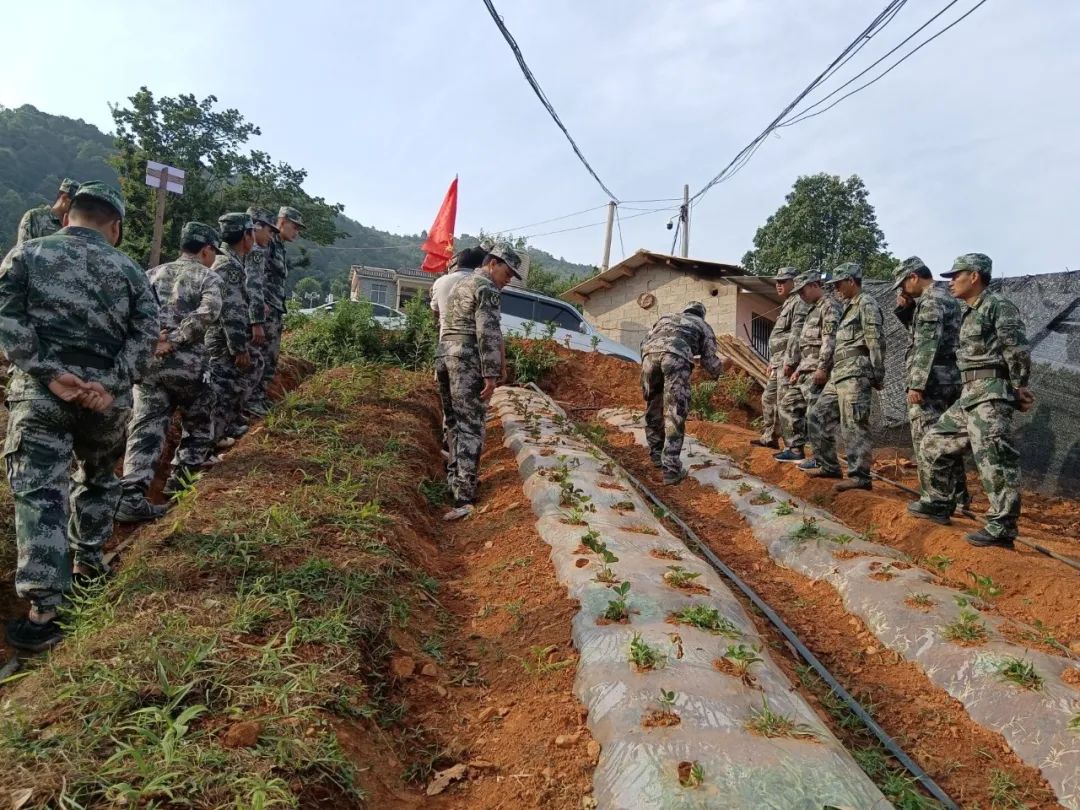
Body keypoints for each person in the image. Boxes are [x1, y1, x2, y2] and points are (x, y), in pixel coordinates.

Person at [0, 181, 158, 651]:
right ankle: (88, 567)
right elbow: (147, 337)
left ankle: (45, 613)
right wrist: (107, 386)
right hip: (106, 406)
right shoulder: (132, 273)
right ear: (115, 227)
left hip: (41, 397)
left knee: (40, 491)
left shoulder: (27, 255)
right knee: (98, 477)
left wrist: (51, 375)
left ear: (69, 214)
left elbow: (7, 319)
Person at [911, 254, 1032, 548]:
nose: (951, 281)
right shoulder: (967, 311)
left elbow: (1016, 349)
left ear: (974, 276)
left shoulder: (997, 306)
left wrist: (1018, 386)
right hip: (969, 394)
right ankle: (938, 503)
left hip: (991, 392)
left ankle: (1002, 528)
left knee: (995, 460)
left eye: (957, 275)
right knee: (933, 443)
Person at [116, 222, 225, 522]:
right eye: (213, 252)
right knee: (202, 418)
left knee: (145, 427)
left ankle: (131, 495)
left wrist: (155, 342)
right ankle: (181, 483)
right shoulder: (208, 277)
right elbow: (209, 313)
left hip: (150, 368)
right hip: (188, 370)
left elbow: (132, 313)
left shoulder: (152, 273)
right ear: (206, 250)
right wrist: (175, 340)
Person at [437, 244, 520, 521]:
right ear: (493, 263)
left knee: (453, 422)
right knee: (471, 427)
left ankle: (455, 479)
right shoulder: (486, 288)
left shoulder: (463, 284)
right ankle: (465, 494)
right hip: (467, 360)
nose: (507, 281)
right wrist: (491, 373)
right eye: (507, 274)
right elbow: (488, 332)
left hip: (444, 355)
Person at [891, 256, 968, 520]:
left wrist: (917, 384)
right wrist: (906, 310)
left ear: (914, 276)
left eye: (903, 283)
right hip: (950, 378)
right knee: (948, 443)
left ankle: (933, 499)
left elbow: (926, 344)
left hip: (932, 381)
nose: (902, 290)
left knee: (926, 440)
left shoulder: (931, 301)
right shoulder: (948, 299)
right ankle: (959, 499)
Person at [808, 262, 886, 491]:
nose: (836, 290)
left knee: (854, 423)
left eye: (839, 284)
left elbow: (876, 341)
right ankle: (829, 466)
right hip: (839, 373)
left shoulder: (866, 304)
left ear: (851, 281)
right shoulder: (848, 307)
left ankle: (860, 476)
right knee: (817, 414)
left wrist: (877, 373)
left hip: (856, 372)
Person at [640, 301, 729, 485]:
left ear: (685, 310)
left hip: (648, 357)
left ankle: (656, 455)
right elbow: (710, 363)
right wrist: (723, 369)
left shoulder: (666, 318)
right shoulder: (703, 326)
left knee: (653, 405)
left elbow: (644, 342)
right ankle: (671, 470)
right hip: (675, 358)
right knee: (675, 412)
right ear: (702, 314)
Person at [201, 213, 258, 470]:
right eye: (253, 233)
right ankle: (205, 451)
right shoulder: (229, 267)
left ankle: (214, 440)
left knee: (221, 393)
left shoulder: (227, 261)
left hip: (218, 340)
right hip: (222, 343)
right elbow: (231, 311)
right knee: (221, 394)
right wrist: (239, 348)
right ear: (245, 235)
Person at [781, 271, 841, 467]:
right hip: (805, 370)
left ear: (815, 285)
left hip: (818, 372)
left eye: (803, 290)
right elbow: (806, 346)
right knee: (788, 404)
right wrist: (798, 369)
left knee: (815, 415)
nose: (800, 295)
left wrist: (823, 368)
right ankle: (795, 449)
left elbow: (829, 339)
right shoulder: (811, 310)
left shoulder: (829, 306)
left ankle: (820, 459)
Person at [248, 206, 303, 415]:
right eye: (294, 226)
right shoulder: (266, 244)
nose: (296, 232)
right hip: (265, 310)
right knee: (259, 358)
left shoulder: (278, 246)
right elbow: (255, 277)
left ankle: (259, 398)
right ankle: (250, 401)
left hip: (274, 310)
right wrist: (258, 313)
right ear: (282, 221)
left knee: (270, 359)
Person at [751, 268, 806, 450]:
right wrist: (773, 362)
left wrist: (790, 361)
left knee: (785, 403)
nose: (778, 285)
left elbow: (797, 334)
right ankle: (770, 437)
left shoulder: (799, 302)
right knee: (769, 398)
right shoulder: (788, 304)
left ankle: (793, 447)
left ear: (794, 282)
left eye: (783, 281)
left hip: (788, 362)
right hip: (778, 362)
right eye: (777, 282)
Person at [234, 206, 277, 429]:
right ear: (256, 227)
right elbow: (253, 287)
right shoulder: (254, 253)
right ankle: (241, 409)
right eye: (269, 231)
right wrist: (257, 321)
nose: (270, 236)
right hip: (242, 321)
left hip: (241, 318)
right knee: (252, 363)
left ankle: (237, 412)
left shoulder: (243, 252)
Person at [431, 244, 489, 337]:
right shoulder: (481, 284)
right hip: (470, 345)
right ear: (479, 266)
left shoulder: (440, 282)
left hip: (444, 342)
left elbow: (435, 310)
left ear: (458, 263)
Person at [15, 179, 79, 245]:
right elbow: (22, 248)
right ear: (64, 197)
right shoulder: (35, 216)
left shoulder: (73, 225)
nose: (77, 207)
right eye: (75, 203)